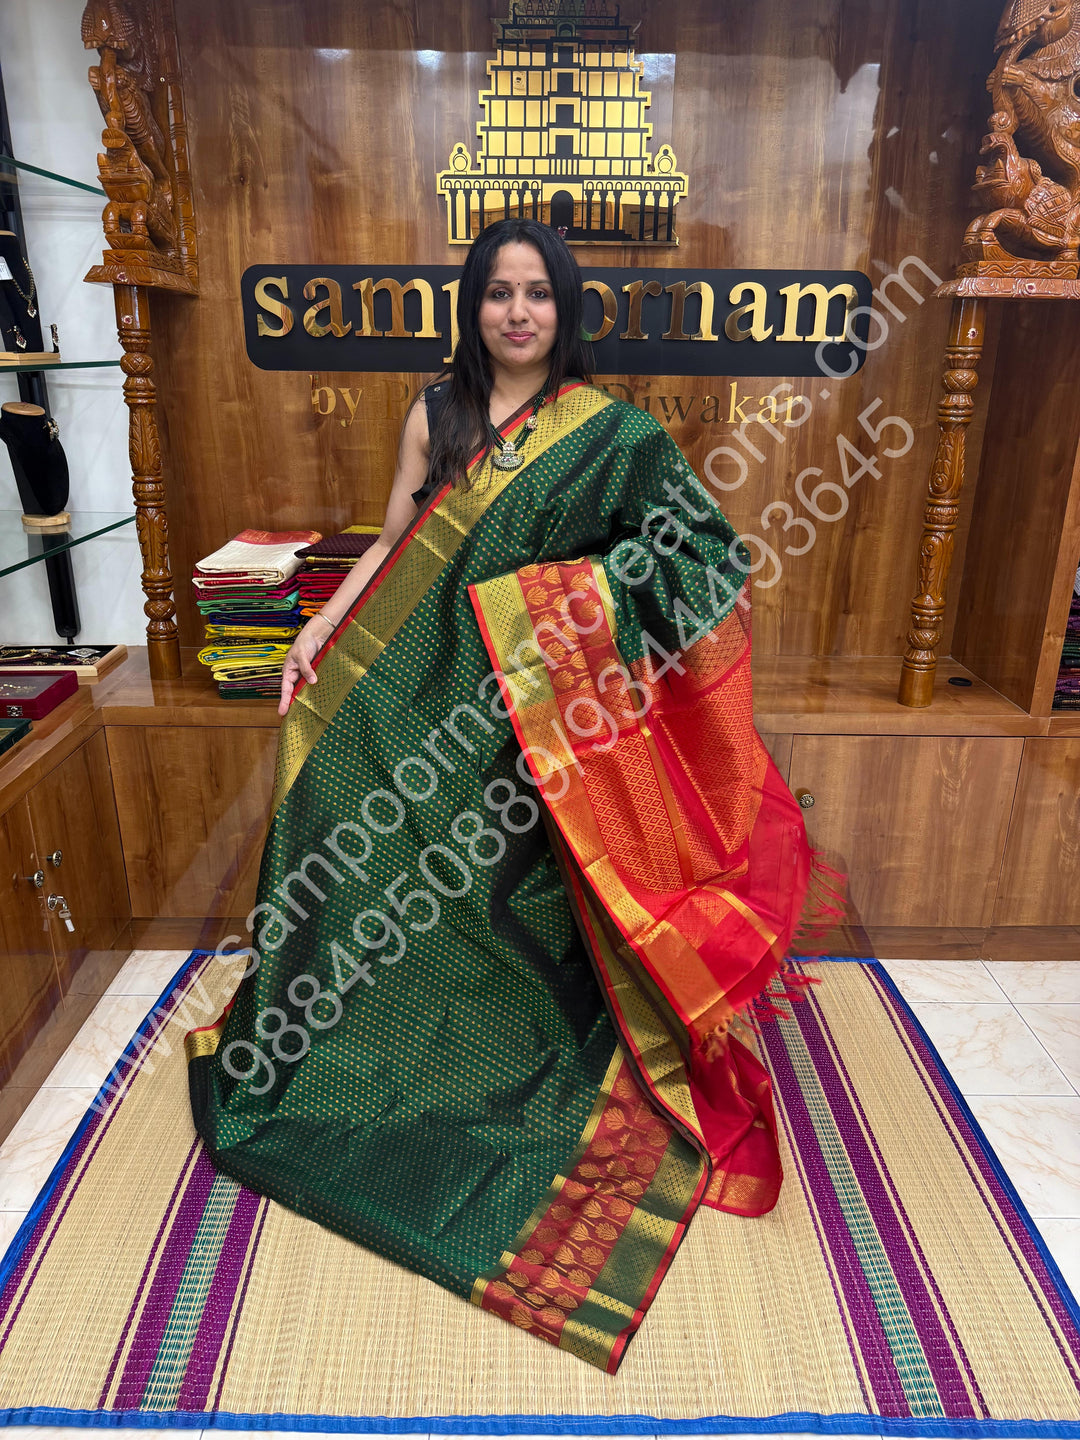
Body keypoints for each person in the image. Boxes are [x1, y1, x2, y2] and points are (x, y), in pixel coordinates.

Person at [187, 218, 842, 1375]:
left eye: (538, 293)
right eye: (499, 293)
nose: (519, 313)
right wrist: (319, 633)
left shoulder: (615, 434)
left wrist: (561, 607)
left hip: (540, 721)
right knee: (320, 802)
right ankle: (344, 1043)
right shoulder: (435, 416)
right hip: (418, 689)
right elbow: (398, 539)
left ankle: (507, 1064)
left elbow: (704, 561)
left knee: (511, 907)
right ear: (474, 306)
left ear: (566, 307)